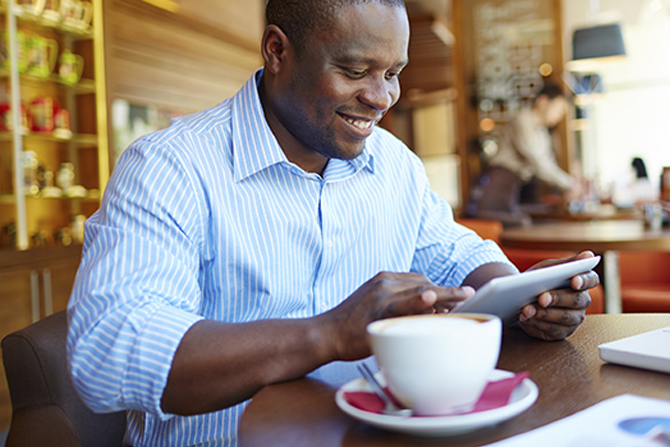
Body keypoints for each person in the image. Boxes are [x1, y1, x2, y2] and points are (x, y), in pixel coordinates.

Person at [66, 1, 599, 446]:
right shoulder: (170, 166)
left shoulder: (394, 165)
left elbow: (456, 253)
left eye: (392, 73)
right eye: (354, 70)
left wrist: (527, 298)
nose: (382, 97)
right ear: (277, 50)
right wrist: (329, 333)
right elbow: (107, 352)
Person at [469, 84, 581, 227]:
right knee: (520, 226)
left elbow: (548, 163)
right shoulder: (523, 119)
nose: (558, 117)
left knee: (540, 220)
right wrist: (568, 184)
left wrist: (567, 184)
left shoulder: (543, 132)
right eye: (558, 110)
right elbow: (536, 161)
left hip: (516, 185)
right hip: (499, 183)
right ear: (543, 101)